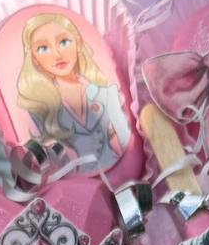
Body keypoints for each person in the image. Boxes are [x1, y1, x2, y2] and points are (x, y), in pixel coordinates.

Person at [17, 13, 131, 173]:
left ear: (78, 43)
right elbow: (51, 163)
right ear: (34, 59)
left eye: (63, 42)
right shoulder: (40, 108)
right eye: (43, 48)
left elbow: (128, 142)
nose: (57, 55)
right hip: (76, 183)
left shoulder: (106, 94)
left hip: (122, 171)